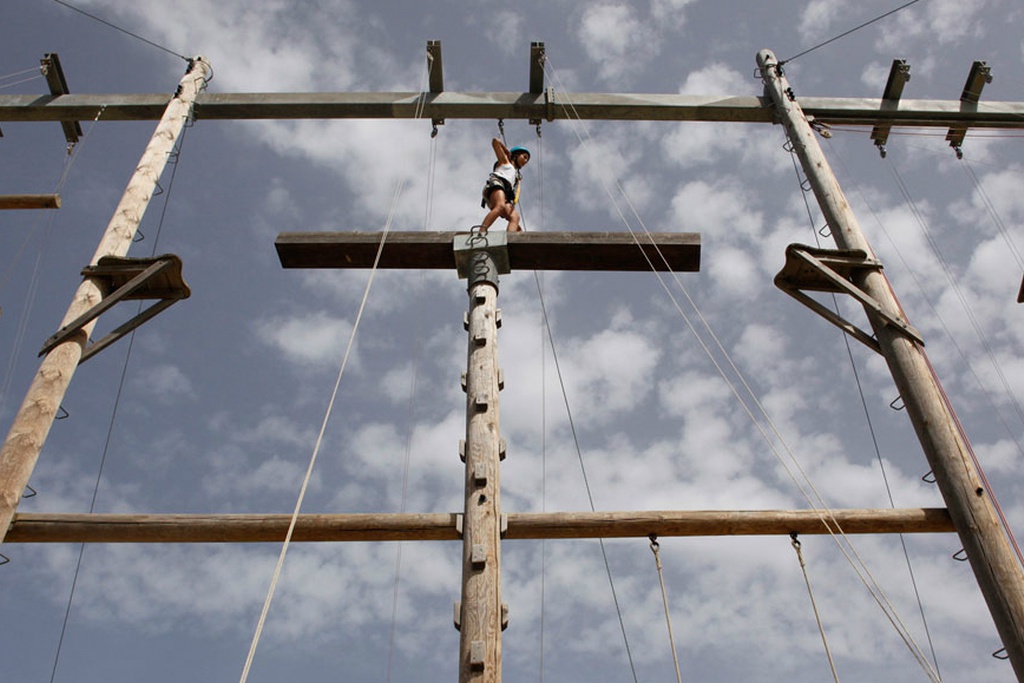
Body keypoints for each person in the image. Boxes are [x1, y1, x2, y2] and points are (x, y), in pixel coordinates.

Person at [480, 137, 530, 233]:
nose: (525, 161)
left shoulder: (516, 176)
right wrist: (507, 152)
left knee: (515, 218)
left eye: (527, 160)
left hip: (504, 194)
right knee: (500, 206)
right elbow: (495, 141)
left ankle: (510, 238)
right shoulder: (505, 161)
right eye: (524, 157)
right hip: (496, 185)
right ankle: (481, 232)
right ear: (515, 155)